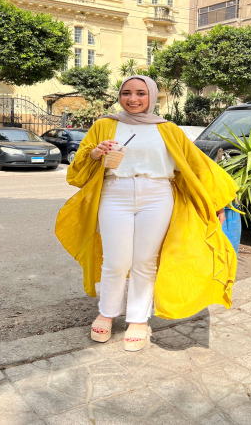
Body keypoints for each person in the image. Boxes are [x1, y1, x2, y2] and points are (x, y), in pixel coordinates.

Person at [55, 76, 238, 352]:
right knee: (115, 260)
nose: (133, 99)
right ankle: (107, 312)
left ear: (151, 96)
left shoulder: (168, 129)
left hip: (157, 194)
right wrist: (94, 154)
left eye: (141, 93)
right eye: (126, 93)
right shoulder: (106, 124)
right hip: (115, 191)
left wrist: (217, 202)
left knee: (145, 260)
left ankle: (139, 319)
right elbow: (77, 169)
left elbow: (195, 164)